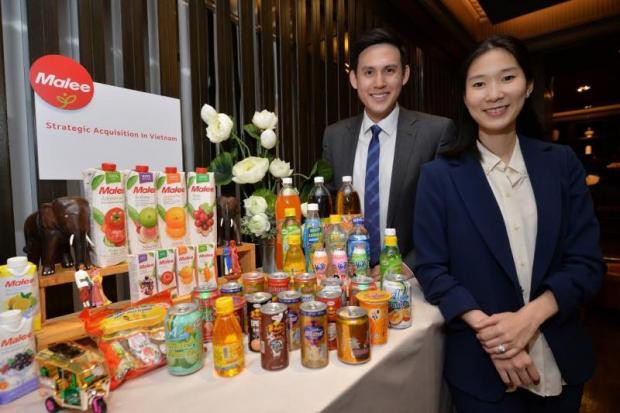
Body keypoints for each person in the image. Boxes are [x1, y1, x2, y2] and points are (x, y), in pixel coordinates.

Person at [413, 35, 605, 412]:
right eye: (479, 83)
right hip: (481, 370)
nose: (494, 94)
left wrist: (528, 321)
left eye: (507, 78)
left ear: (528, 85)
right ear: (465, 96)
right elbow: (433, 270)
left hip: (561, 359)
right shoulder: (439, 176)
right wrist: (497, 339)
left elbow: (586, 263)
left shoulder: (561, 163)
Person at [322, 28, 455, 273]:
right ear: (354, 79)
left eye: (389, 70)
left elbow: (447, 215)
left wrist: (405, 265)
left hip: (410, 279)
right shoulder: (335, 136)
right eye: (369, 72)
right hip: (349, 276)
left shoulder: (435, 132)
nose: (379, 83)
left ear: (404, 74)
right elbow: (328, 209)